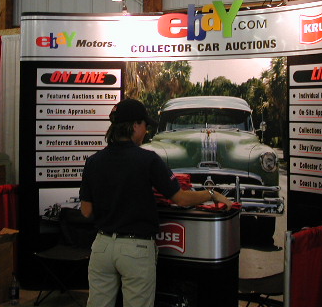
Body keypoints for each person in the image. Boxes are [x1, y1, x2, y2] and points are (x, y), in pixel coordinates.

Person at [80, 98, 232, 307]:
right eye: (145, 125)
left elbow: (86, 211)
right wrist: (211, 194)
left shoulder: (93, 161)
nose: (146, 131)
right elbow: (181, 198)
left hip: (101, 247)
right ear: (135, 125)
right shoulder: (148, 159)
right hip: (135, 248)